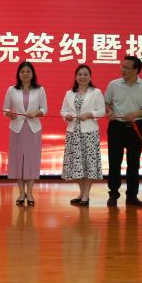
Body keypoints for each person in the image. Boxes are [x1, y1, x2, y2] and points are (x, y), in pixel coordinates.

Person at [104, 55, 142, 208]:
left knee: (134, 163)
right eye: (122, 66)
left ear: (136, 70)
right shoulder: (113, 84)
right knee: (114, 162)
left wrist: (136, 114)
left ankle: (132, 196)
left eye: (127, 67)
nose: (123, 70)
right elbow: (106, 103)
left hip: (135, 127)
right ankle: (113, 194)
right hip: (116, 127)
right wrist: (110, 111)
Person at [60, 64, 105, 206]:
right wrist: (66, 115)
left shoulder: (96, 92)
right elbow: (63, 111)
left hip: (89, 133)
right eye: (80, 74)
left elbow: (102, 111)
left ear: (90, 77)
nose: (82, 77)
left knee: (88, 164)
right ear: (76, 77)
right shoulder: (69, 93)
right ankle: (81, 193)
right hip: (73, 133)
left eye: (85, 74)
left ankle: (86, 196)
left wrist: (90, 114)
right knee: (77, 165)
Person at [2, 61, 46, 206]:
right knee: (18, 161)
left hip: (34, 129)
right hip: (17, 129)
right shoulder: (12, 90)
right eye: (22, 71)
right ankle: (21, 193)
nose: (25, 74)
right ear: (18, 74)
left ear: (32, 74)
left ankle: (30, 193)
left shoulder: (39, 90)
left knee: (32, 161)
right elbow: (5, 109)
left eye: (28, 71)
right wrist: (9, 114)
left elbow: (44, 109)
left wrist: (36, 113)